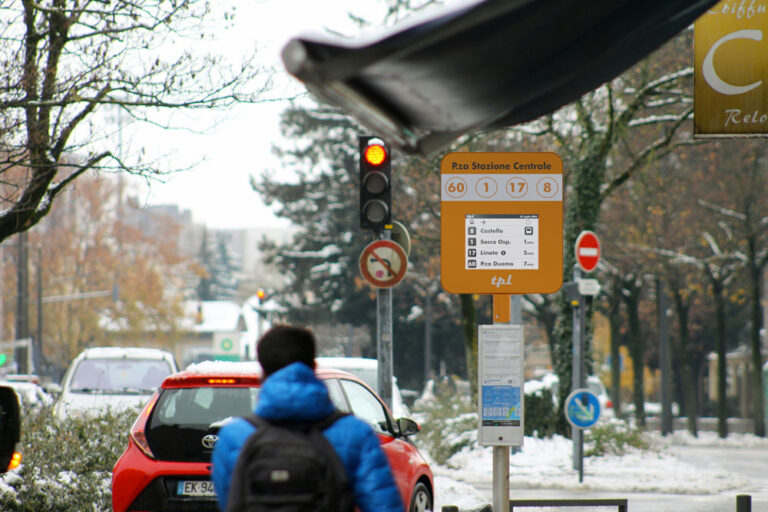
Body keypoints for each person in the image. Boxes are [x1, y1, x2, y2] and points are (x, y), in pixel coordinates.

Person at [212, 324, 404, 512]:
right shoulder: (355, 433)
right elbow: (383, 505)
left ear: (263, 371)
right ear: (313, 366)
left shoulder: (234, 436)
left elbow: (231, 501)